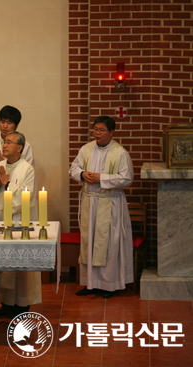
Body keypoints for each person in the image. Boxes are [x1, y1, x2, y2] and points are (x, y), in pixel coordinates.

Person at [69, 116, 134, 299]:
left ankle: (108, 285)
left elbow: (127, 178)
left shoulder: (120, 153)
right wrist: (83, 174)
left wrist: (102, 178)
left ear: (112, 132)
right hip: (90, 202)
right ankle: (90, 284)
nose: (96, 133)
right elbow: (73, 168)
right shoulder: (86, 149)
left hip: (110, 203)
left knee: (109, 244)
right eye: (95, 129)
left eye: (101, 130)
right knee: (89, 242)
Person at [0, 131, 40, 318]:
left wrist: (7, 185)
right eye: (4, 142)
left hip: (18, 222)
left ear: (19, 148)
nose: (4, 145)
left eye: (9, 142)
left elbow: (27, 196)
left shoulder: (27, 169)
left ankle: (21, 306)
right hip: (0, 218)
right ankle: (6, 303)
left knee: (18, 265)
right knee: (2, 263)